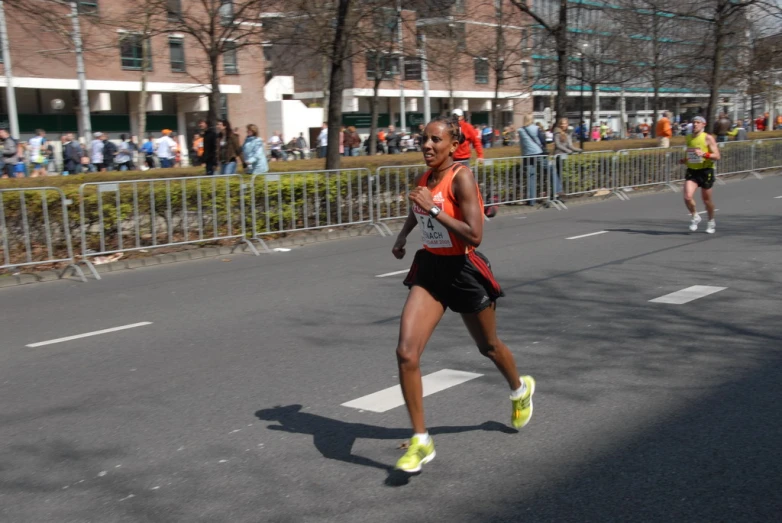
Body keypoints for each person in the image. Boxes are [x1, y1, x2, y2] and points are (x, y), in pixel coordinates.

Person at [390, 115, 535, 473]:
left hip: (464, 269)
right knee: (406, 352)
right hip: (432, 270)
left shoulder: (462, 177)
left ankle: (519, 389)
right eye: (424, 139)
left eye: (436, 140)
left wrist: (434, 209)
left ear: (453, 146)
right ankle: (421, 440)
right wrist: (403, 235)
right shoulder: (424, 177)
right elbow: (418, 207)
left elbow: (474, 234)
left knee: (488, 347)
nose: (427, 145)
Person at [681, 116, 720, 234]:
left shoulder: (708, 138)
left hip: (706, 170)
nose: (695, 124)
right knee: (687, 196)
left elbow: (717, 156)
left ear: (704, 124)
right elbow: (692, 155)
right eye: (693, 122)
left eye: (698, 122)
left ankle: (711, 221)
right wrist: (685, 160)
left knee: (706, 200)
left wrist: (704, 154)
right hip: (692, 170)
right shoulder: (688, 138)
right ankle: (695, 216)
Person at [517, 114, 548, 206]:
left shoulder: (520, 130)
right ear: (532, 120)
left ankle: (531, 200)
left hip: (526, 155)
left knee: (531, 177)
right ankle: (556, 192)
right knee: (550, 169)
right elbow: (542, 140)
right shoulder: (535, 128)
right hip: (537, 153)